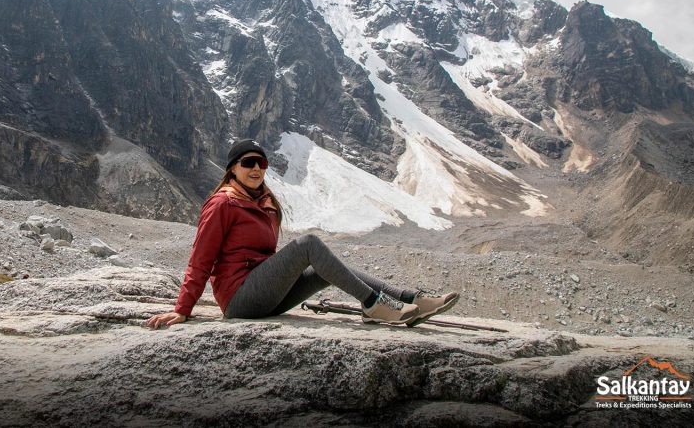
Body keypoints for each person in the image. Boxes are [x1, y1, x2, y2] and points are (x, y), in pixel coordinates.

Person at [145, 139, 459, 329]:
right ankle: (373, 304)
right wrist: (182, 310)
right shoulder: (222, 204)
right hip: (240, 299)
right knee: (308, 244)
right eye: (248, 163)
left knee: (325, 269)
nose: (257, 168)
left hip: (264, 295)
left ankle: (407, 299)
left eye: (262, 163)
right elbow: (200, 260)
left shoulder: (263, 201)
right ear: (232, 169)